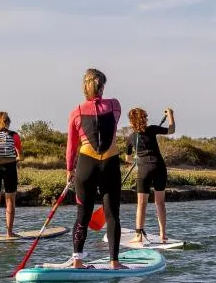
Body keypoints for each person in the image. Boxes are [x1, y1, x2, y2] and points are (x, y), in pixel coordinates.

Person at [66, 68, 123, 269]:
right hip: (110, 163)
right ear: (102, 86)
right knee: (112, 214)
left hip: (85, 164)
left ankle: (77, 261)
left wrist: (68, 171)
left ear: (84, 87)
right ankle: (114, 262)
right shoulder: (115, 106)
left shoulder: (76, 111)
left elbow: (71, 146)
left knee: (83, 214)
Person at [125, 107, 176, 243]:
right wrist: (170, 115)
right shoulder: (153, 129)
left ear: (132, 122)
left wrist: (135, 158)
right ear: (144, 119)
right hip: (159, 167)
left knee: (142, 203)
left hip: (144, 170)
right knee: (160, 202)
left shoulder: (130, 138)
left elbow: (128, 159)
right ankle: (163, 234)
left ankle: (138, 235)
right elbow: (171, 130)